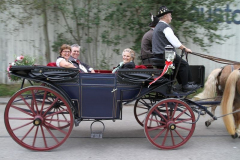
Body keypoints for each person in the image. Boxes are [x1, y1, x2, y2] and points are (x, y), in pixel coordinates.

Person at [152, 6, 198, 92]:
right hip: (166, 55)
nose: (171, 18)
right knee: (183, 64)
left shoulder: (157, 27)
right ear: (165, 16)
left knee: (179, 65)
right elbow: (175, 42)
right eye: (170, 15)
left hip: (158, 54)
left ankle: (181, 84)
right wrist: (185, 48)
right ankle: (185, 85)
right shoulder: (165, 27)